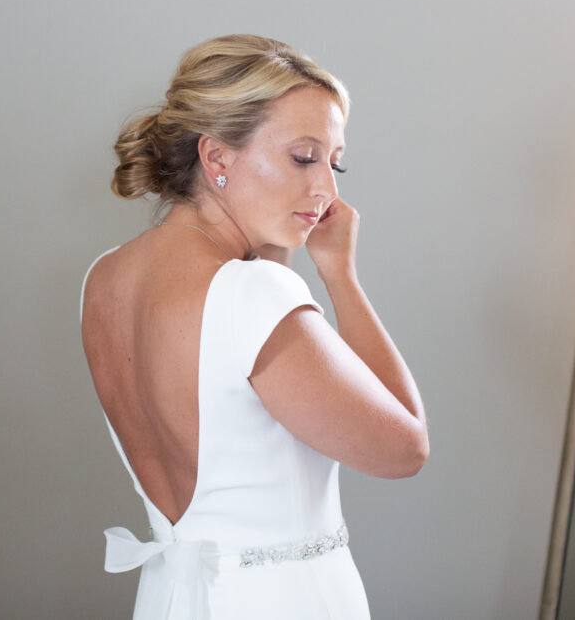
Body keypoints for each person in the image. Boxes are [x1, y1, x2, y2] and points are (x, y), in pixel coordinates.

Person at [80, 34, 428, 619]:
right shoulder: (252, 294)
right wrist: (340, 276)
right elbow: (405, 448)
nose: (328, 189)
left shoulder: (105, 278)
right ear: (216, 157)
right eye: (304, 157)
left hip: (171, 600)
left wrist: (278, 243)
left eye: (334, 162)